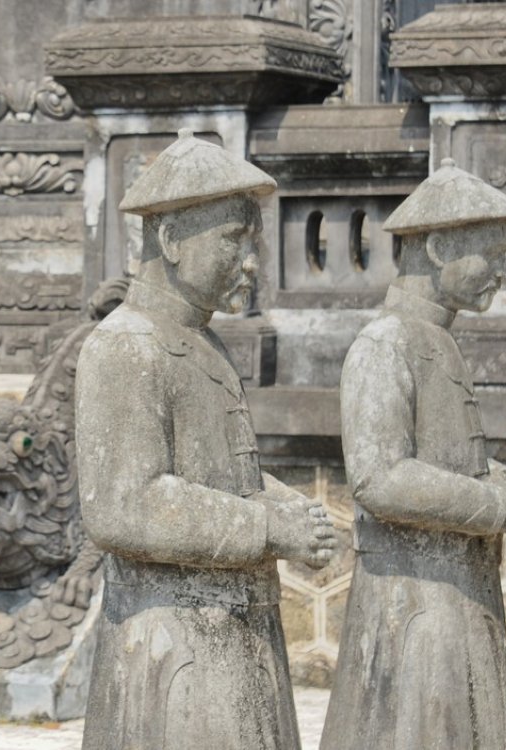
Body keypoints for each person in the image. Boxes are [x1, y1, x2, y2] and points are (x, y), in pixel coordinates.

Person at [76, 130, 339, 750]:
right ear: (170, 239)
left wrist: (281, 502)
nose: (250, 261)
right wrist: (269, 528)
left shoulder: (205, 343)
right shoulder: (126, 345)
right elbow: (125, 505)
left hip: (238, 631)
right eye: (232, 239)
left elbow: (225, 477)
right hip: (174, 646)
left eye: (251, 241)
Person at [322, 159, 506, 750]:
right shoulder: (386, 342)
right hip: (413, 608)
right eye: (491, 255)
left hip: (454, 598)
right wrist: (498, 506)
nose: (502, 273)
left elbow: (452, 463)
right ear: (442, 246)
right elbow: (380, 479)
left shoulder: (435, 339)